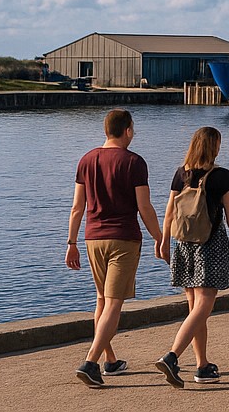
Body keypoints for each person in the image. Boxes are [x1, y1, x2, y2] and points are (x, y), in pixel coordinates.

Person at [66, 108, 165, 389]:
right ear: (128, 130)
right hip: (123, 238)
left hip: (92, 238)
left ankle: (110, 360)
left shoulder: (86, 160)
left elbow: (77, 208)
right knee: (114, 304)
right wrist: (159, 237)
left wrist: (71, 243)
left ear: (105, 130)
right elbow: (144, 207)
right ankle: (90, 362)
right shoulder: (134, 162)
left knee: (101, 300)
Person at [151, 126, 229, 388]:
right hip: (211, 244)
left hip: (183, 244)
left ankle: (202, 366)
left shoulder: (181, 173)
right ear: (214, 147)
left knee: (195, 308)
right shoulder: (222, 177)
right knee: (204, 305)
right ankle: (172, 356)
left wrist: (162, 240)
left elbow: (169, 211)